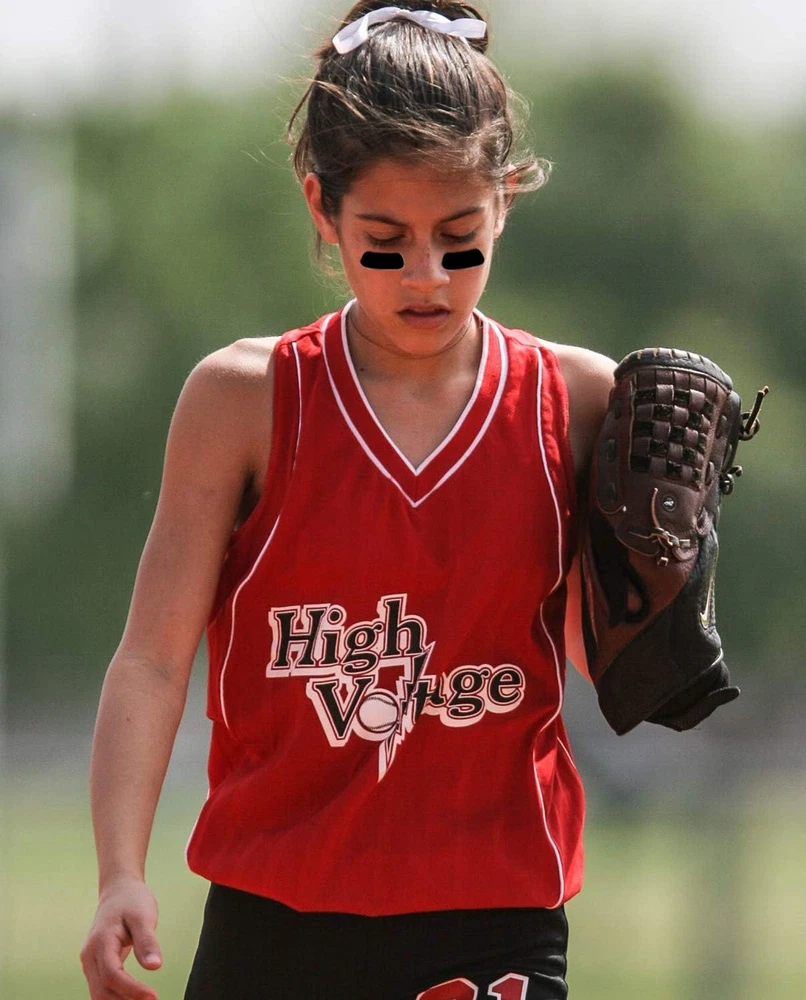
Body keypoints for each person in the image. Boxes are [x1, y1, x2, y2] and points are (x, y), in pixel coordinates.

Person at [80, 3, 619, 998]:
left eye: (459, 238)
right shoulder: (244, 400)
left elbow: (608, 666)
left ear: (504, 199)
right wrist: (120, 870)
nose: (426, 275)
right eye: (385, 240)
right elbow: (152, 659)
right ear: (320, 207)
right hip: (276, 919)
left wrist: (664, 585)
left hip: (493, 915)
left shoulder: (577, 402)